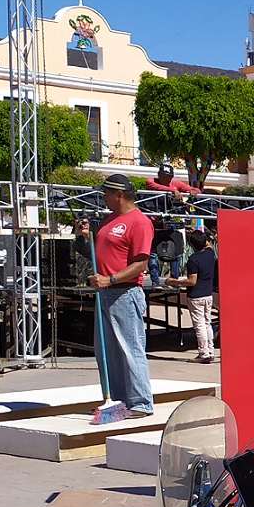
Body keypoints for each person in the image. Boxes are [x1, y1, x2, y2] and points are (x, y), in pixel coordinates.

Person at [89, 175, 155, 420]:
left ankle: (141, 402)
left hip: (124, 293)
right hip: (105, 293)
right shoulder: (110, 219)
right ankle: (118, 401)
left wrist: (110, 279)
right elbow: (102, 252)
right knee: (106, 351)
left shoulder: (138, 222)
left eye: (106, 193)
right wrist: (83, 237)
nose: (103, 198)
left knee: (130, 349)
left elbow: (141, 263)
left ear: (118, 195)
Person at [168, 229, 218, 363]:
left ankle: (204, 353)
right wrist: (200, 235)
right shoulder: (210, 253)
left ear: (191, 245)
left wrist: (174, 281)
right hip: (208, 294)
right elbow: (208, 244)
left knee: (199, 325)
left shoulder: (193, 260)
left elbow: (192, 281)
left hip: (196, 296)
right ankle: (210, 351)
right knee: (207, 323)